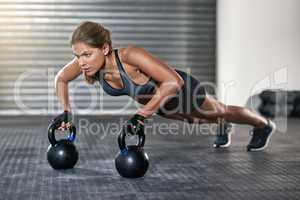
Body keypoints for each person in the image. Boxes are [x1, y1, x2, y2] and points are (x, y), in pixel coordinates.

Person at [53, 21, 275, 151]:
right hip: (157, 102)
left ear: (104, 48)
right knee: (194, 119)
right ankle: (223, 125)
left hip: (183, 90)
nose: (81, 62)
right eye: (77, 55)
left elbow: (173, 81)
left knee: (221, 110)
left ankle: (262, 125)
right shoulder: (86, 63)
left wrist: (141, 115)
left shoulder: (131, 56)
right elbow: (61, 78)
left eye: (86, 54)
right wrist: (65, 111)